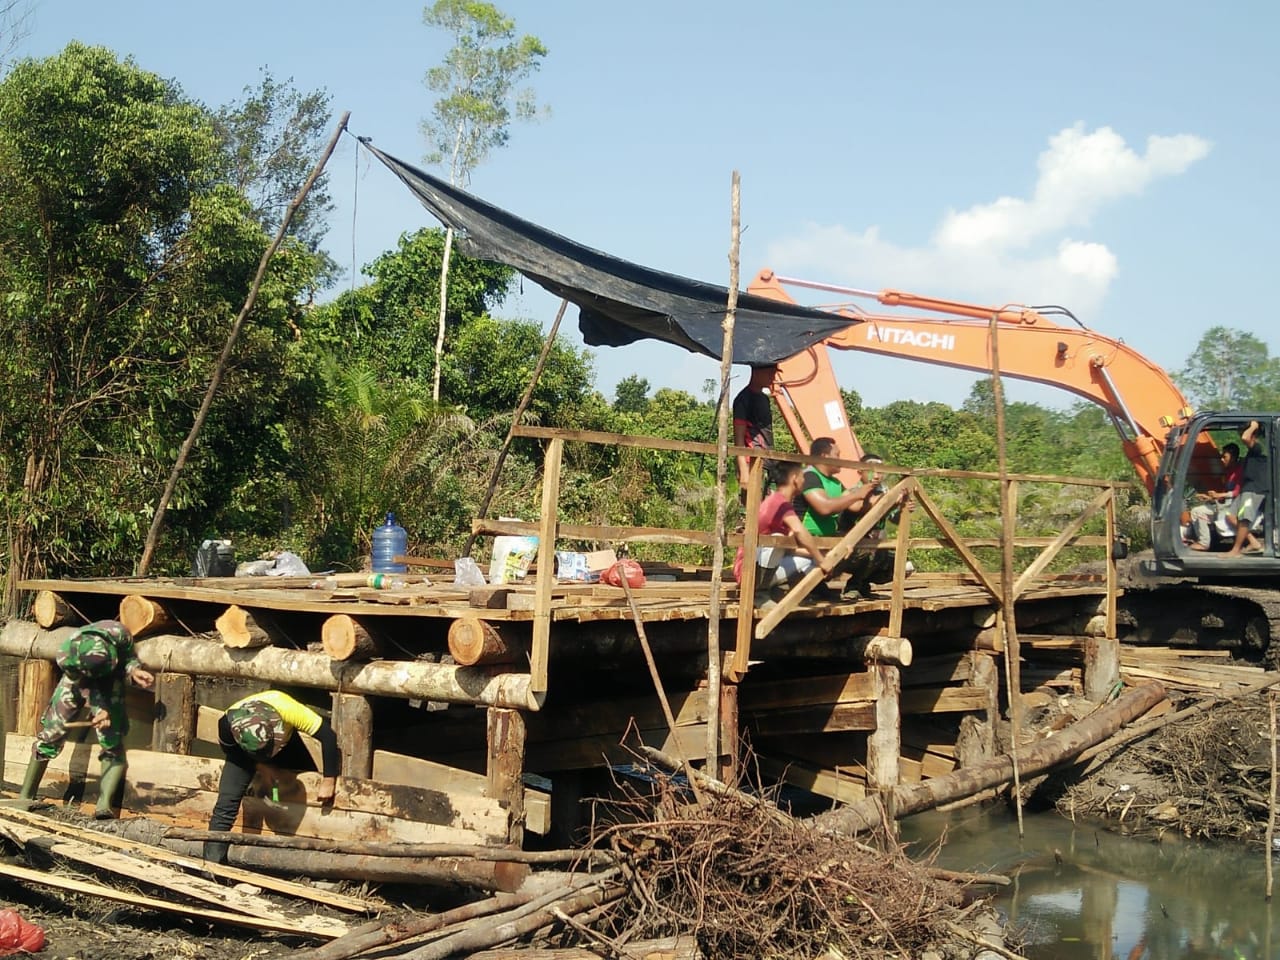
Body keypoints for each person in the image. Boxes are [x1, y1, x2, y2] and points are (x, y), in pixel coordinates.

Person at [18, 620, 154, 819]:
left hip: (110, 680)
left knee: (110, 736)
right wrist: (99, 708)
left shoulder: (119, 633)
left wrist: (134, 670)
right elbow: (85, 686)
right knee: (52, 732)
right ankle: (25, 796)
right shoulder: (66, 655)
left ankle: (104, 806)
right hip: (77, 680)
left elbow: (127, 657)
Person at [204, 689, 341, 864]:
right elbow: (230, 750)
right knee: (226, 803)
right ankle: (211, 865)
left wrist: (329, 779)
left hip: (286, 744)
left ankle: (308, 855)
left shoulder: (287, 708)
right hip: (244, 753)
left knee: (301, 788)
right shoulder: (226, 723)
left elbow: (328, 736)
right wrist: (261, 766)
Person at [733, 460, 836, 605]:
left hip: (759, 563)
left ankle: (774, 588)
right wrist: (821, 559)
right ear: (794, 478)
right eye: (802, 476)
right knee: (778, 539)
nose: (804, 480)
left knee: (808, 561)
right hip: (747, 571)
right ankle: (758, 593)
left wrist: (824, 554)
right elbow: (800, 532)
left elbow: (792, 547)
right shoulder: (780, 502)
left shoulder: (779, 501)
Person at [837, 453, 913, 599]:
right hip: (852, 549)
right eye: (872, 471)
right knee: (870, 550)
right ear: (860, 471)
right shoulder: (853, 493)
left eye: (880, 471)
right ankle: (853, 585)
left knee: (906, 566)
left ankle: (863, 583)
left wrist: (903, 509)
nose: (877, 475)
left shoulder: (885, 493)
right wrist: (890, 502)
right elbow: (861, 510)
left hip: (878, 548)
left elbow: (895, 520)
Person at [732, 363, 778, 505]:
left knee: (765, 508)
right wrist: (743, 469)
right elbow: (738, 437)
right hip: (751, 461)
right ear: (758, 373)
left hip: (766, 460)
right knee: (752, 507)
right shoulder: (744, 399)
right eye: (770, 373)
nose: (773, 377)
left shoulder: (764, 399)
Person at [1187, 442, 1242, 551]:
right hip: (1225, 504)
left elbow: (1237, 492)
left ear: (1233, 457)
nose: (1222, 459)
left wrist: (1218, 495)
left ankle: (1204, 543)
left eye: (1224, 456)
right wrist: (1209, 497)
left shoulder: (1239, 471)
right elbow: (1224, 494)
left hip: (1233, 506)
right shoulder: (1228, 472)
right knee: (1197, 510)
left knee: (1197, 512)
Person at [1226, 419, 1268, 556]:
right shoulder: (1253, 450)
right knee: (1231, 516)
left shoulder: (1258, 446)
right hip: (1246, 488)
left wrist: (1254, 425)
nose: (1240, 437)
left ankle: (1235, 550)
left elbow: (1245, 437)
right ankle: (1254, 542)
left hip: (1254, 489)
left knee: (1244, 518)